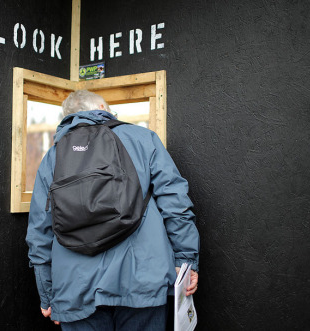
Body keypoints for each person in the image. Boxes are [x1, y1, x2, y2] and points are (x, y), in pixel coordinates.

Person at [26, 90, 200, 330]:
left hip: (74, 288)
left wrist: (48, 295)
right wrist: (186, 262)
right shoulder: (143, 139)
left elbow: (39, 231)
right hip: (142, 280)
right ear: (101, 106)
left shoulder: (53, 156)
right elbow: (176, 203)